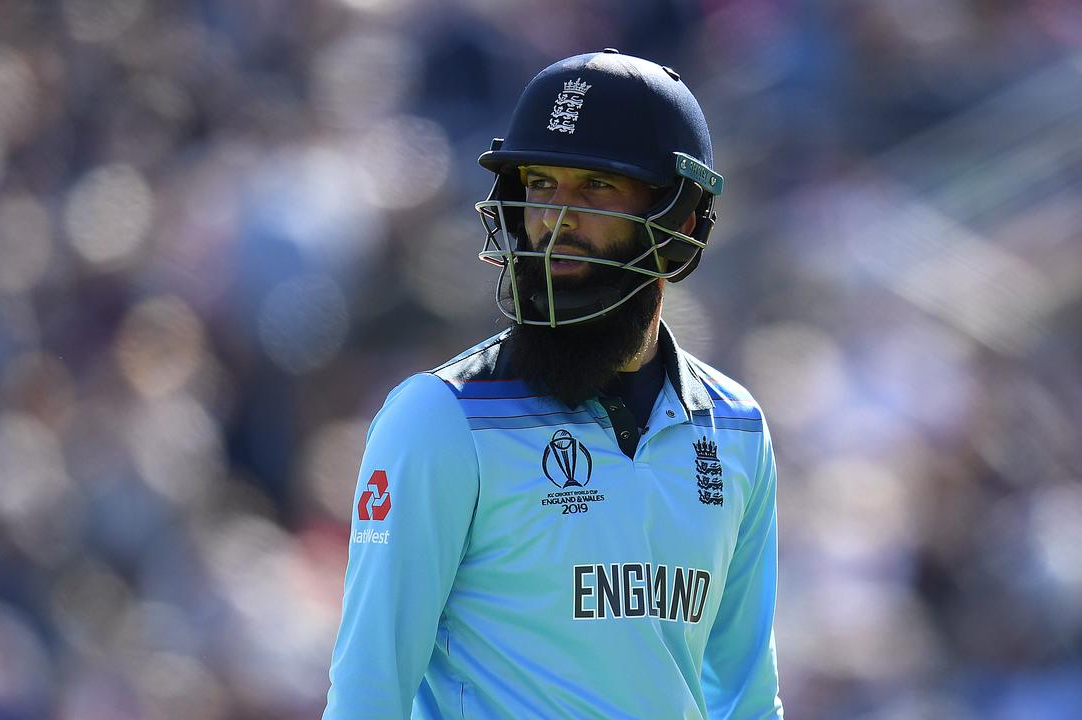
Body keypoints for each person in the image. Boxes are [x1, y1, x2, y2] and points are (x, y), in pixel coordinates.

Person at [324, 49, 783, 719]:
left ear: (680, 222)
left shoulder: (736, 428)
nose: (556, 220)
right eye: (541, 182)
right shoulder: (439, 418)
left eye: (597, 186)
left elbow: (745, 697)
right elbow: (368, 697)